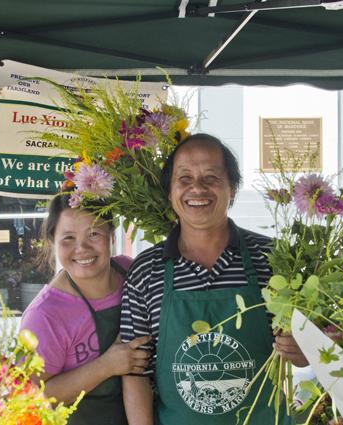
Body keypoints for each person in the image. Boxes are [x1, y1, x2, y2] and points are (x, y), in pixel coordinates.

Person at [120, 134, 309, 425]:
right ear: (170, 191)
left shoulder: (273, 259)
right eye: (184, 178)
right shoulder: (146, 271)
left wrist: (303, 348)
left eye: (211, 177)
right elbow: (136, 371)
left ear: (232, 188)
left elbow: (310, 351)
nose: (197, 187)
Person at [20, 194, 151, 425]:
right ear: (53, 241)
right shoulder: (44, 316)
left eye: (93, 234)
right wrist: (107, 366)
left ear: (111, 235)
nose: (82, 248)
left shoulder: (130, 272)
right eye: (68, 238)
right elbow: (31, 396)